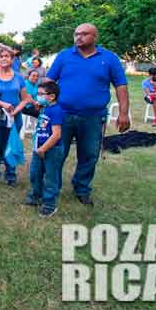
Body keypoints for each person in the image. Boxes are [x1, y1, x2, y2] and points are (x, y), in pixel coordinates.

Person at [45, 23, 130, 206]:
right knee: (57, 153)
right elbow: (49, 81)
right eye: (76, 34)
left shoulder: (109, 58)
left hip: (93, 117)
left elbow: (121, 86)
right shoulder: (64, 56)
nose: (78, 37)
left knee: (89, 155)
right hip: (63, 115)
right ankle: (52, 188)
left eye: (84, 34)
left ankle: (82, 188)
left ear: (94, 37)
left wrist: (123, 113)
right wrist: (46, 104)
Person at [0, 46, 33, 186]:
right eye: (1, 56)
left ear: (12, 59)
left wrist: (16, 111)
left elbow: (25, 98)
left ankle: (11, 175)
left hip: (14, 117)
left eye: (7, 56)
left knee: (11, 145)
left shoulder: (18, 77)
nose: (4, 58)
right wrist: (3, 104)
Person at [23, 81, 65, 218]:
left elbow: (56, 134)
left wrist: (43, 149)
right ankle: (36, 196)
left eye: (41, 94)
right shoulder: (45, 108)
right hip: (39, 148)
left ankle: (49, 204)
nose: (38, 97)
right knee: (35, 173)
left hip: (51, 150)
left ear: (51, 96)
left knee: (50, 177)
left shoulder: (56, 111)